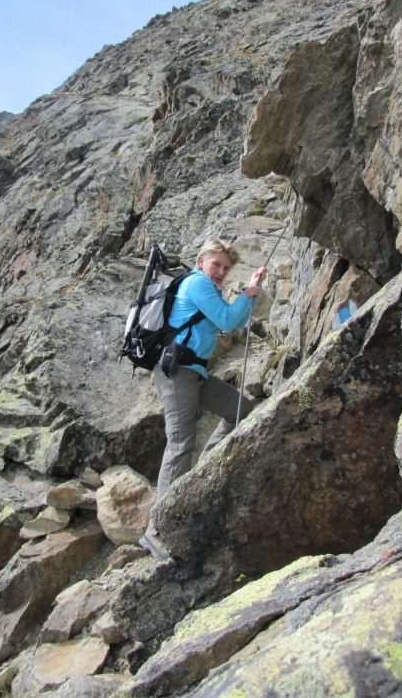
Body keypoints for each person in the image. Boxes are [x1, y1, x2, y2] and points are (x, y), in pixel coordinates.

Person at [139, 237, 267, 560]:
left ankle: (203, 470)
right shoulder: (197, 284)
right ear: (201, 262)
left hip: (195, 372)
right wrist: (246, 296)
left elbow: (233, 320)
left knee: (241, 410)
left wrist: (250, 292)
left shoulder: (208, 289)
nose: (221, 272)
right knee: (180, 442)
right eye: (217, 265)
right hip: (177, 372)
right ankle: (157, 531)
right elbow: (226, 320)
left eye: (226, 268)